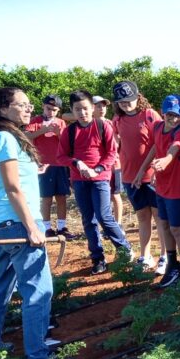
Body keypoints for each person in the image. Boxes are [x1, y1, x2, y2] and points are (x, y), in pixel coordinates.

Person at [0, 87, 75, 359]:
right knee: (38, 291)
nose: (29, 109)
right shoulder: (5, 138)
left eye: (30, 104)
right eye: (22, 105)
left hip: (0, 224)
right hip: (18, 224)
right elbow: (12, 188)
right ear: (4, 109)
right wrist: (33, 227)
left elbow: (14, 180)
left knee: (3, 285)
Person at [59, 90, 132, 274]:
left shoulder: (102, 126)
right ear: (72, 111)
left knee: (104, 216)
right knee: (88, 220)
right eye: (77, 109)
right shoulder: (69, 131)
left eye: (85, 108)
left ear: (92, 108)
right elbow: (61, 157)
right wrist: (77, 163)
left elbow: (111, 154)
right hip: (79, 179)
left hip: (100, 178)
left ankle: (125, 250)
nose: (82, 113)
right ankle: (98, 258)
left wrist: (97, 169)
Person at [133, 95, 180, 288]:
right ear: (163, 113)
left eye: (176, 115)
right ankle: (172, 265)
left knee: (177, 228)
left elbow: (175, 148)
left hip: (178, 185)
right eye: (169, 114)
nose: (172, 118)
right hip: (161, 185)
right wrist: (142, 171)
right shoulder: (158, 127)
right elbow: (154, 148)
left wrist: (166, 160)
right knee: (164, 224)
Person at [111, 81, 165, 274]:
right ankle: (146, 255)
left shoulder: (150, 115)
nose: (125, 104)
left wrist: (145, 170)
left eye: (129, 100)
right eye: (121, 102)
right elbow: (116, 143)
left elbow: (159, 142)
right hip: (128, 175)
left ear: (137, 97)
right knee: (142, 216)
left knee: (160, 217)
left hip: (151, 175)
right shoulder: (118, 119)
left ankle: (165, 256)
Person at [24, 94, 75, 239]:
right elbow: (26, 136)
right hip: (43, 165)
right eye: (48, 108)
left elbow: (67, 143)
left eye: (54, 110)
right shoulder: (36, 121)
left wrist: (58, 133)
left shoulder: (60, 123)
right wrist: (42, 130)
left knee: (61, 197)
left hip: (60, 164)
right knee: (46, 198)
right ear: (43, 107)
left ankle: (62, 227)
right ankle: (46, 227)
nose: (51, 112)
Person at [92, 95, 125, 228]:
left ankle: (118, 224)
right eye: (98, 106)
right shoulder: (88, 124)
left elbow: (116, 144)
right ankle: (102, 225)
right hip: (96, 167)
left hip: (113, 165)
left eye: (104, 106)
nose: (102, 109)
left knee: (115, 195)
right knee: (99, 197)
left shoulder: (111, 123)